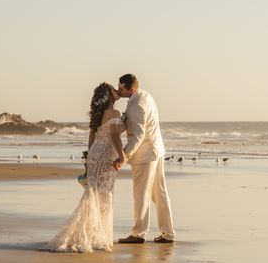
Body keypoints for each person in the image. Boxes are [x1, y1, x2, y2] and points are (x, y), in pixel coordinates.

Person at [43, 83, 125, 252]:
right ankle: (98, 235)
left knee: (92, 192)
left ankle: (92, 233)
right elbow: (115, 136)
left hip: (95, 153)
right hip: (106, 155)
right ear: (109, 95)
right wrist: (122, 155)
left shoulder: (98, 114)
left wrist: (89, 160)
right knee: (104, 193)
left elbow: (92, 138)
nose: (117, 91)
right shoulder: (114, 113)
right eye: (113, 90)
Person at [113, 74, 175, 244]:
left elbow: (138, 135)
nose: (119, 90)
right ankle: (168, 233)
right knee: (159, 194)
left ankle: (139, 233)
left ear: (131, 89)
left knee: (141, 194)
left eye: (121, 88)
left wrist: (123, 156)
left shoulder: (137, 104)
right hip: (156, 150)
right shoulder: (145, 96)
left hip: (145, 154)